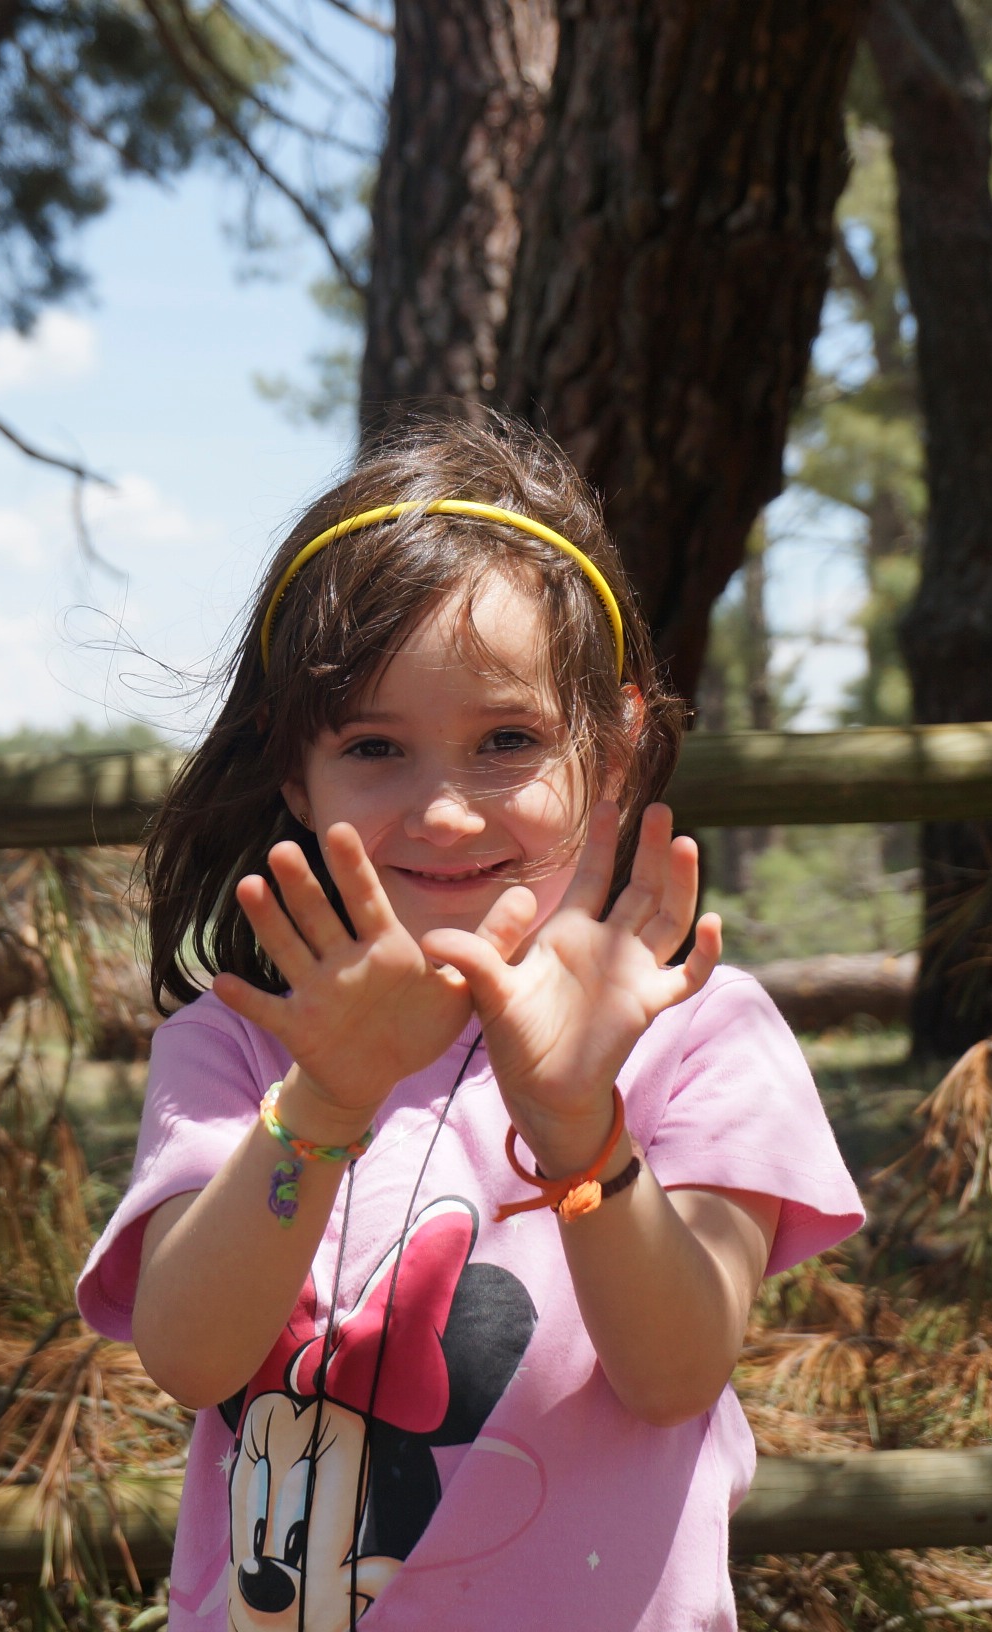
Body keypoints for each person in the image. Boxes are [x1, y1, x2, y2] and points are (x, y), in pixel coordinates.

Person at [76, 418, 862, 1630]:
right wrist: (323, 1109)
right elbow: (189, 1356)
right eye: (375, 748)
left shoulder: (696, 1032)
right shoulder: (240, 1039)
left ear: (611, 753)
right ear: (297, 779)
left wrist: (579, 1130)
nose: (442, 813)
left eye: (506, 741)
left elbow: (673, 1374)